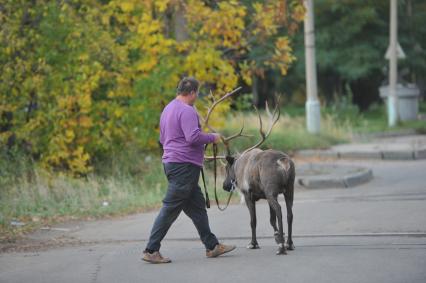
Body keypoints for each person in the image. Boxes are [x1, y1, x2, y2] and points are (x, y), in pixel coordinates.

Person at [142, 77, 236, 264]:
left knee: (197, 207)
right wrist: (213, 137)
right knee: (170, 209)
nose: (197, 96)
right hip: (183, 167)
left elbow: (162, 139)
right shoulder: (187, 111)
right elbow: (192, 137)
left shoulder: (168, 109)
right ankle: (151, 250)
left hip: (173, 164)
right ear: (192, 92)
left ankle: (212, 246)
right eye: (197, 93)